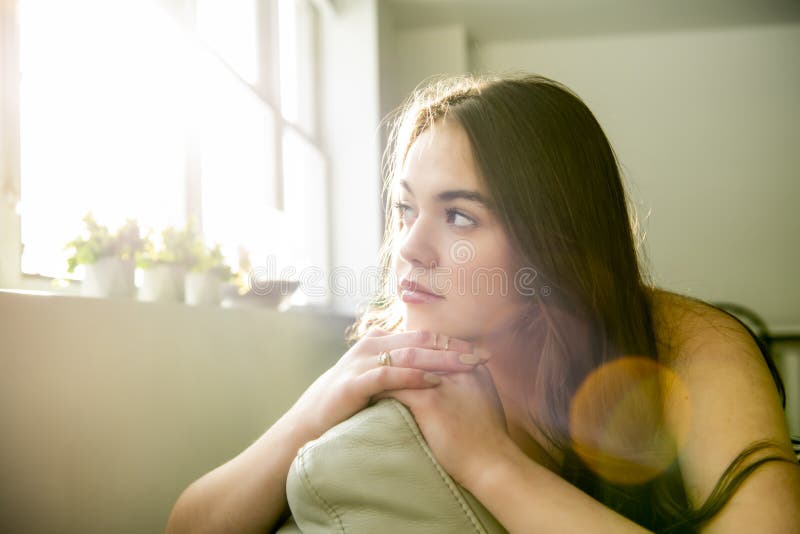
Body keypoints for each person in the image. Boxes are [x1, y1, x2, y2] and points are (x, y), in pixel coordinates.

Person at [165, 75, 800, 533]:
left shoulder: (692, 340)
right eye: (405, 209)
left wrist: (490, 464)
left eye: (461, 217)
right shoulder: (398, 367)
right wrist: (315, 406)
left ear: (556, 247)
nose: (409, 248)